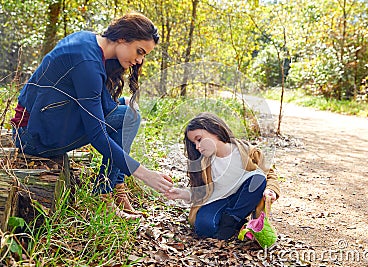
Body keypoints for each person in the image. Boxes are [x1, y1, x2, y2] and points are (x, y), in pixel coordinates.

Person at [10, 12, 173, 219]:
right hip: (31, 138)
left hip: (44, 122)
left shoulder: (88, 41)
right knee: (129, 116)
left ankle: (116, 185)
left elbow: (96, 102)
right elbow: (97, 135)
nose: (139, 60)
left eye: (144, 56)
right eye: (139, 51)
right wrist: (143, 174)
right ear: (122, 38)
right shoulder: (86, 62)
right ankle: (104, 195)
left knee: (128, 109)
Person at [165, 112, 280, 240]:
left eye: (199, 139)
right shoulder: (204, 163)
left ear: (215, 129)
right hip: (218, 200)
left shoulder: (247, 151)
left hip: (244, 199)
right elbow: (202, 193)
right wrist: (181, 194)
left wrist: (271, 190)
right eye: (194, 144)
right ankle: (235, 222)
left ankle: (232, 220)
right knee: (204, 227)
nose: (197, 147)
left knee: (258, 179)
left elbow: (269, 174)